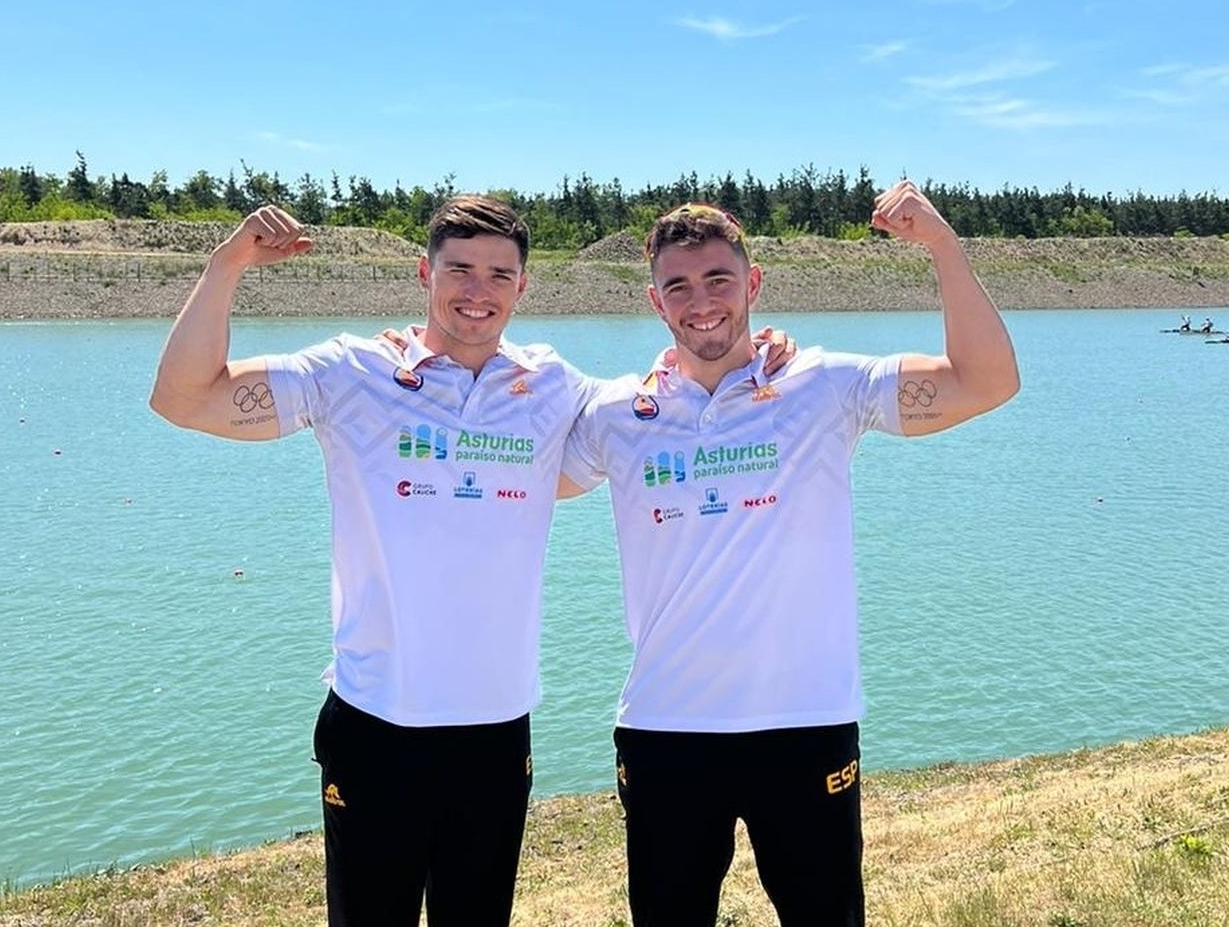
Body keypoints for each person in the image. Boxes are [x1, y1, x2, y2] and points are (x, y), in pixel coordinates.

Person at [149, 197, 794, 927]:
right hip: (375, 723)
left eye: (498, 273)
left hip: (495, 734)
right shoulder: (353, 372)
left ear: (522, 288)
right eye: (458, 268)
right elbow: (182, 397)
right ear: (425, 273)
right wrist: (226, 265)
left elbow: (661, 399)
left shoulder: (552, 388)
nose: (477, 289)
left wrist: (757, 354)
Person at [558, 184, 1019, 926]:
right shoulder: (621, 411)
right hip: (666, 732)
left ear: (754, 285)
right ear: (655, 301)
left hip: (804, 726)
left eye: (718, 280)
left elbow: (987, 381)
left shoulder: (823, 386)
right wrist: (425, 359)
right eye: (679, 285)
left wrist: (944, 246)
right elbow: (500, 473)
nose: (701, 301)